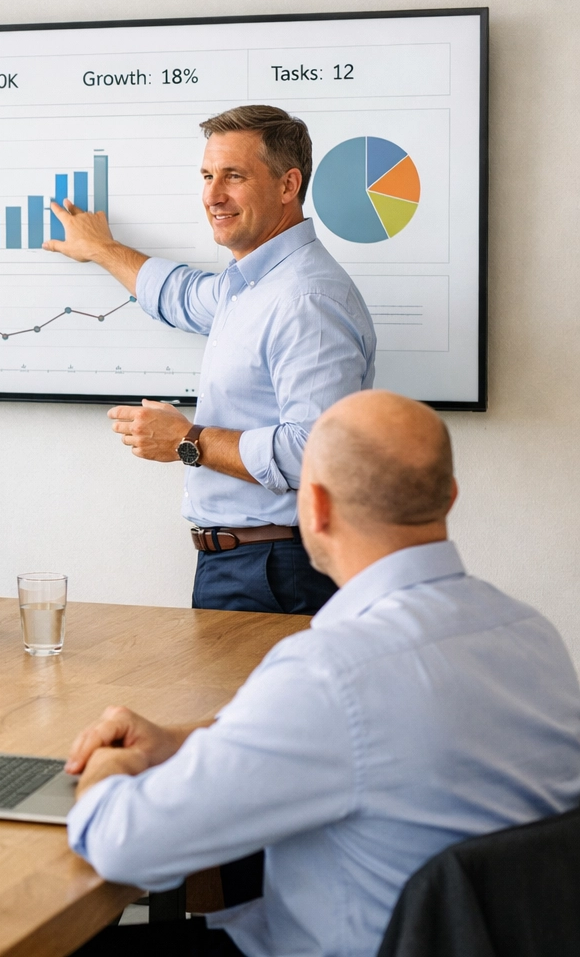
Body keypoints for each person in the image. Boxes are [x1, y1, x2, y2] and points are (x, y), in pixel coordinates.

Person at [63, 390, 580, 957]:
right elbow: (351, 741)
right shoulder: (530, 633)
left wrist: (112, 763)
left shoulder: (332, 672)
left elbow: (122, 845)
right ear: (449, 497)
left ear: (315, 507)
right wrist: (180, 740)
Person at [47, 104, 376, 616]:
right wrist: (102, 249)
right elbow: (179, 294)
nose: (212, 195)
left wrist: (188, 440)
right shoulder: (248, 286)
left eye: (234, 176)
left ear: (288, 185)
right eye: (207, 176)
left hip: (277, 571)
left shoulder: (306, 300)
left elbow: (314, 453)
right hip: (245, 564)